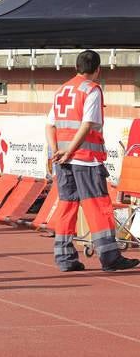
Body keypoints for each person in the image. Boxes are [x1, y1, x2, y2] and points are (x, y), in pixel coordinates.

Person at [45, 50, 139, 272]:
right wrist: (71, 151)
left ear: (76, 68)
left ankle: (64, 258)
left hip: (63, 161)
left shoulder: (62, 90)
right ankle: (110, 257)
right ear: (98, 69)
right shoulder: (92, 90)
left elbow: (50, 125)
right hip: (86, 160)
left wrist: (57, 151)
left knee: (67, 207)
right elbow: (87, 125)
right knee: (98, 207)